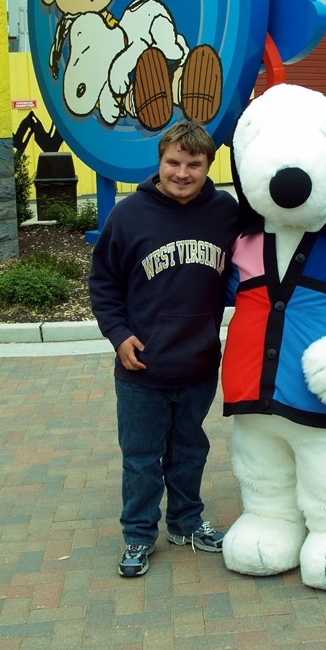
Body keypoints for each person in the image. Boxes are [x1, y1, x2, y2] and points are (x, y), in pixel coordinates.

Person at [89, 120, 238, 576]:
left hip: (197, 364)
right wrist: (117, 335)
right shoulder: (129, 215)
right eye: (173, 162)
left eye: (194, 164)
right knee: (140, 458)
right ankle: (138, 535)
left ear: (209, 166)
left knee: (190, 451)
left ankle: (186, 522)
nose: (182, 173)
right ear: (159, 163)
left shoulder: (225, 212)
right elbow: (103, 283)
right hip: (141, 368)